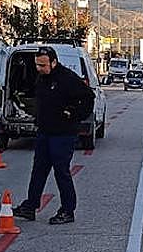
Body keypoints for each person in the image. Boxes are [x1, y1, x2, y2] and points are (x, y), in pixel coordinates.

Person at [12, 46, 96, 225]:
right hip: (44, 133)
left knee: (61, 172)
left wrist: (73, 114)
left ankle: (67, 210)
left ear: (54, 62)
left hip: (63, 135)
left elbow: (88, 97)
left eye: (43, 65)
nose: (39, 68)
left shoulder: (67, 78)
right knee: (38, 171)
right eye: (37, 65)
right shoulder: (41, 78)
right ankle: (30, 206)